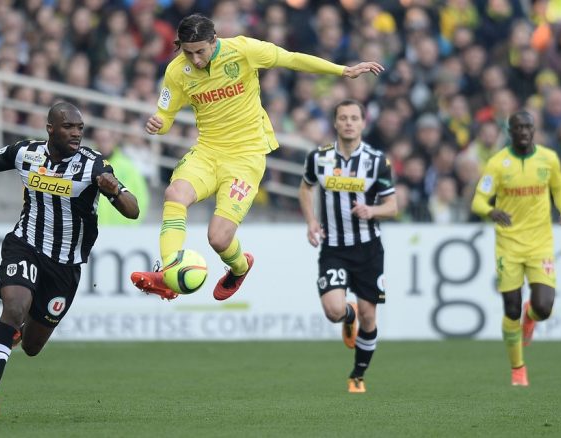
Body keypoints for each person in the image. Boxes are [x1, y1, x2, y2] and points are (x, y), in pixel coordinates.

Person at [130, 14, 384, 301]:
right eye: (188, 53)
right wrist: (158, 124)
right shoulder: (177, 71)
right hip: (208, 151)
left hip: (246, 157)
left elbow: (291, 59)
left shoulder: (243, 51)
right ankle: (168, 271)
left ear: (215, 41)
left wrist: (342, 71)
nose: (196, 59)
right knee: (175, 193)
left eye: (200, 51)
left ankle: (239, 267)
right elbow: (165, 115)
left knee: (219, 238)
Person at [0, 102, 139, 422]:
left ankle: (16, 331)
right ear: (50, 128)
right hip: (25, 245)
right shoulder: (27, 152)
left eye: (80, 128)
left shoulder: (94, 166)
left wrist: (116, 190)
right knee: (13, 308)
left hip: (65, 265)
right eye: (69, 127)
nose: (77, 133)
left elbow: (132, 210)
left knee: (33, 346)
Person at [298, 100, 397, 393]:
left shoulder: (378, 161)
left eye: (355, 118)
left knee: (370, 316)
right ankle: (347, 315)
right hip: (335, 248)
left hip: (368, 248)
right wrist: (311, 221)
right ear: (336, 123)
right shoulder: (319, 158)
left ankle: (357, 375)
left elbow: (392, 205)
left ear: (363, 123)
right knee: (333, 310)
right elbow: (305, 187)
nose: (349, 123)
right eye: (344, 118)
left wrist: (372, 211)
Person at [471, 111, 561, 387]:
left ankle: (532, 317)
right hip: (509, 245)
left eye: (529, 126)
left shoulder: (548, 159)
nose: (525, 131)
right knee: (511, 309)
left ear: (534, 129)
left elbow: (559, 188)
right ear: (510, 131)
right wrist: (491, 212)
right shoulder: (498, 164)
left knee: (543, 307)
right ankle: (518, 369)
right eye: (519, 127)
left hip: (540, 244)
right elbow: (478, 201)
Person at [93, 126, 149, 225]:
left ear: (113, 141)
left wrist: (134, 223)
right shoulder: (88, 165)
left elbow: (141, 195)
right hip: (95, 229)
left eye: (106, 140)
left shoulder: (128, 166)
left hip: (123, 230)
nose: (103, 143)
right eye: (100, 140)